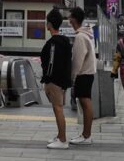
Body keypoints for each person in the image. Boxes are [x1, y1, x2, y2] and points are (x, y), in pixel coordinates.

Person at [41, 9, 73, 149]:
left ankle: (62, 139)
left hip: (54, 80)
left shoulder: (53, 43)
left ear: (49, 24)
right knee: (57, 108)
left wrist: (47, 79)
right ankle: (60, 135)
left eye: (46, 22)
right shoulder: (65, 40)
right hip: (63, 80)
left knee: (58, 108)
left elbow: (50, 64)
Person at [69, 7, 96, 145]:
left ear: (74, 18)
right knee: (85, 102)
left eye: (70, 16)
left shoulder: (80, 37)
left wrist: (72, 77)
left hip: (83, 73)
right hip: (89, 72)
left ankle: (86, 135)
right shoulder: (87, 34)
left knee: (85, 102)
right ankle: (86, 134)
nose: (68, 19)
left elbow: (78, 60)